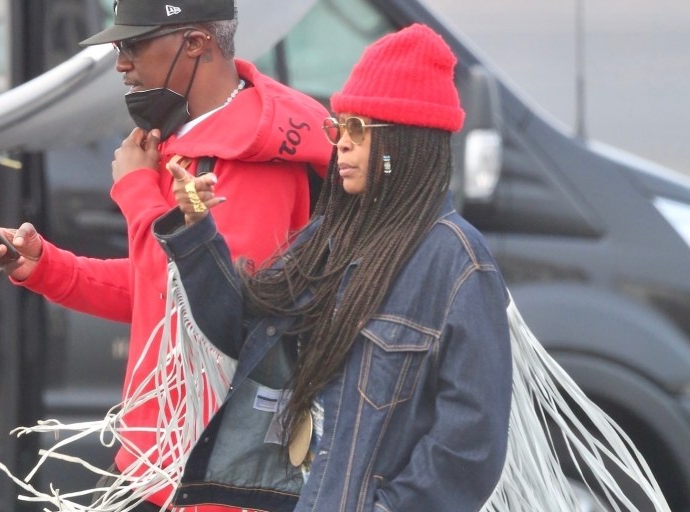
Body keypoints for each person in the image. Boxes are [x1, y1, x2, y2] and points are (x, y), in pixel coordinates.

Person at [0, 0, 331, 510]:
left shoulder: (255, 156)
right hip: (155, 465)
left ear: (197, 42)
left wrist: (137, 189)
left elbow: (214, 313)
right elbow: (157, 296)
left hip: (215, 480)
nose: (121, 63)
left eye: (133, 44)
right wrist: (44, 266)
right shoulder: (186, 139)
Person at [153, 23, 513, 511]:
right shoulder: (328, 238)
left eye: (359, 130)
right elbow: (240, 335)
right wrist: (197, 230)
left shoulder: (458, 262)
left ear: (404, 144)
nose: (340, 143)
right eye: (337, 126)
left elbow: (469, 447)